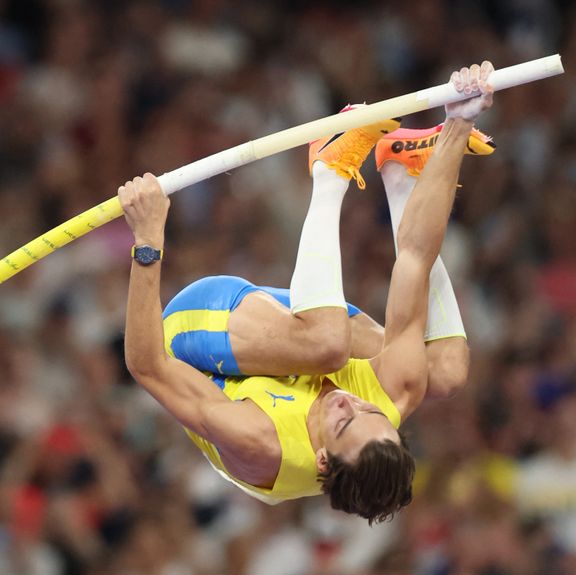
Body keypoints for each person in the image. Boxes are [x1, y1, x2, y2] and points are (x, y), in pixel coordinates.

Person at [121, 62, 496, 522]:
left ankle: (329, 168)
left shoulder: (257, 439)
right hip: (286, 346)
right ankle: (400, 171)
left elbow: (147, 364)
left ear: (323, 460)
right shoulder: (390, 395)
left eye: (344, 422)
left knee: (328, 345)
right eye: (368, 411)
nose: (350, 401)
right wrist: (459, 122)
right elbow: (414, 258)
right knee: (444, 370)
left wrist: (147, 242)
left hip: (194, 341)